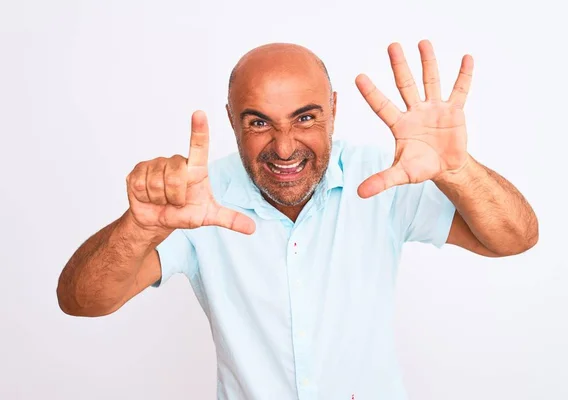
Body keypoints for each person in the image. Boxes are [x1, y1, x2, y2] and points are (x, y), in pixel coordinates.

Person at [57, 40, 538, 399]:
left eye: (305, 117)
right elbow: (82, 301)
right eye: (259, 122)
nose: (284, 147)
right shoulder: (195, 201)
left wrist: (458, 170)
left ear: (333, 108)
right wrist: (140, 227)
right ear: (232, 121)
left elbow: (513, 238)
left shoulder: (384, 178)